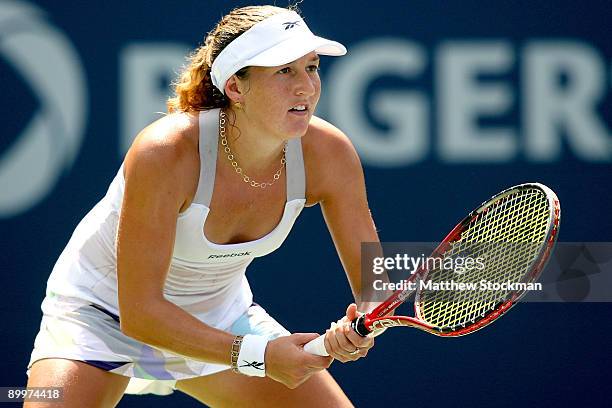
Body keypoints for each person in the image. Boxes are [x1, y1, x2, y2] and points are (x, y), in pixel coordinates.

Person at [26, 5, 384, 407]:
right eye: (284, 71)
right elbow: (140, 314)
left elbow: (374, 284)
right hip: (101, 316)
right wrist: (259, 355)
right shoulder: (166, 152)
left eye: (312, 67)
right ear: (235, 87)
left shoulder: (329, 154)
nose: (306, 87)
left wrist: (360, 326)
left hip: (220, 316)